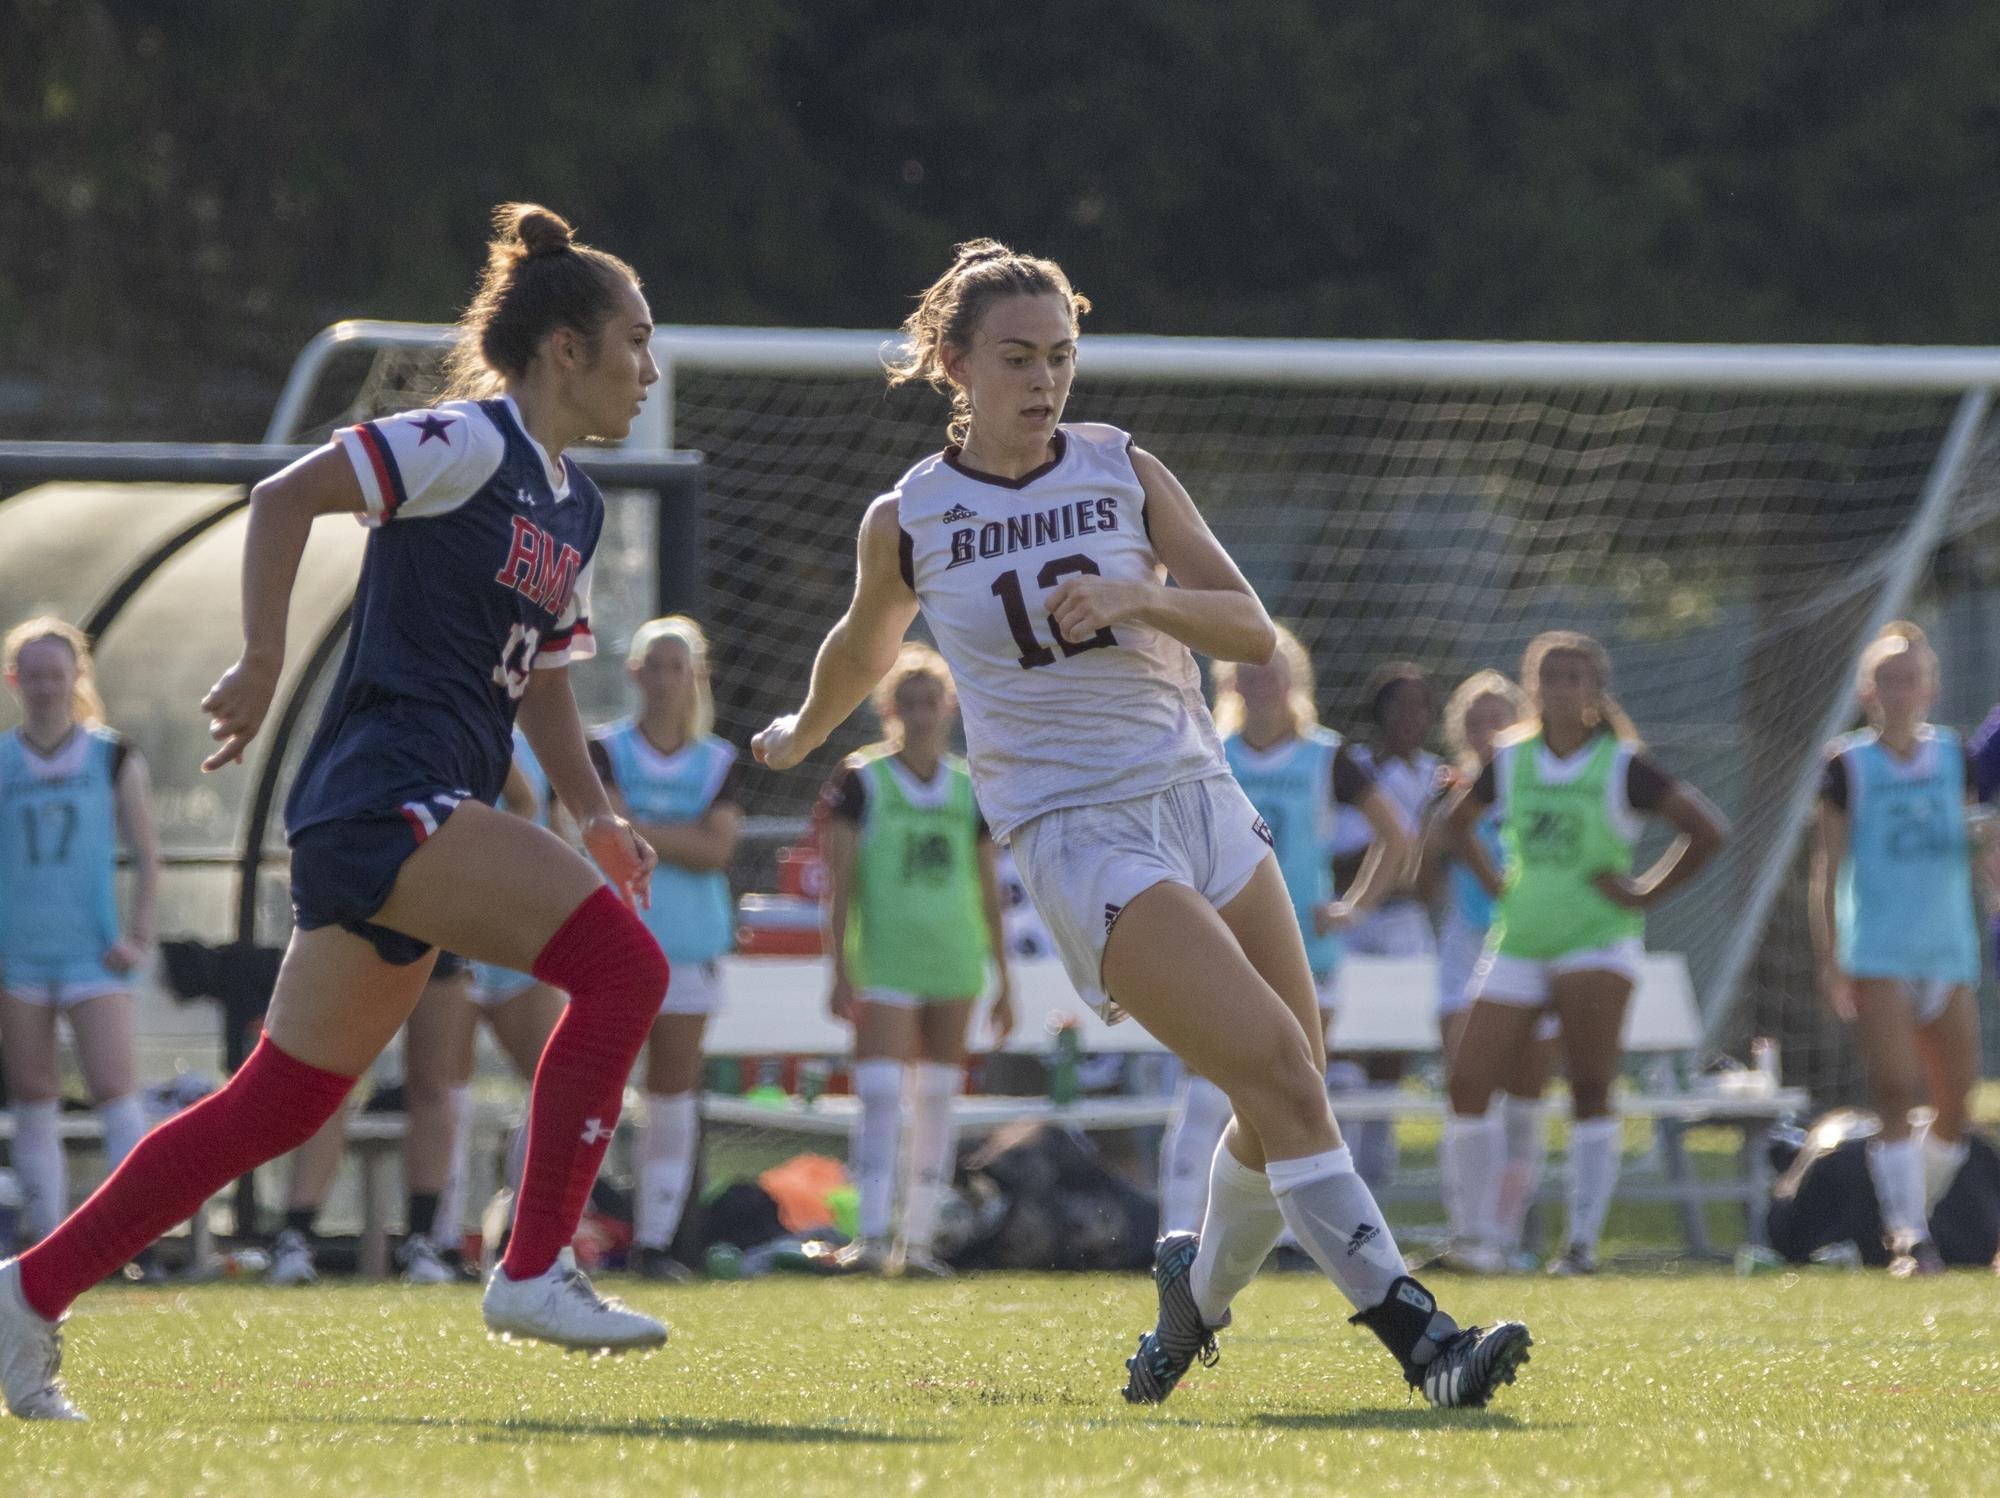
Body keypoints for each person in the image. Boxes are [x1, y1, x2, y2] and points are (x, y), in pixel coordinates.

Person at [751, 238, 1529, 1410]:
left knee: (1289, 1087)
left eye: (1060, 355)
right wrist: (803, 729)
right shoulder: (908, 515)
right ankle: (1419, 1338)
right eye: (1016, 357)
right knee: (1271, 1069)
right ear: (953, 364)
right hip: (1074, 832)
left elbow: (1248, 630)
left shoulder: (1121, 467)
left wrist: (1136, 594)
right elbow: (865, 642)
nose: (1044, 379)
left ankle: (1188, 1307)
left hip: (1200, 801)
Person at [1, 203, 671, 1421]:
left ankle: (24, 1296)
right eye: (633, 339)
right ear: (565, 346)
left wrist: (596, 811)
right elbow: (284, 495)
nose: (650, 367)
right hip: (385, 793)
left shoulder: (577, 504)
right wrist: (260, 662)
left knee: (280, 1102)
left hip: (404, 811)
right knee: (623, 970)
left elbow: (546, 682)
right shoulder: (466, 440)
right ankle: (532, 1267)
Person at [1440, 630, 1726, 1278]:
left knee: (1591, 1086)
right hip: (1519, 940)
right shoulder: (1510, 760)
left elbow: (1707, 829)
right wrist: (1495, 883)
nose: (1563, 688)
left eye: (1576, 676)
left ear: (1596, 691)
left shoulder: (1623, 764)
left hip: (1595, 943)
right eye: (1551, 676)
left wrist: (1645, 891)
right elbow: (1455, 824)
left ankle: (1581, 1245)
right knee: (1467, 1081)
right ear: (1533, 687)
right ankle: (1477, 1240)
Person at [1156, 624, 1408, 1239]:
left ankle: (1299, 1238)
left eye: (1272, 669)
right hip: (1221, 950)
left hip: (1304, 951)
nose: (1260, 679)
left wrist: (1354, 907)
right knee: (1206, 1096)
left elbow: (1399, 836)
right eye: (1248, 669)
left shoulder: (1327, 755)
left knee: (1296, 1093)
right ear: (1228, 680)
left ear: (1294, 678)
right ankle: (1177, 1235)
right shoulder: (1208, 749)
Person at [819, 642, 1014, 1276]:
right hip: (886, 956)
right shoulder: (862, 780)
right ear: (888, 709)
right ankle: (871, 1236)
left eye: (932, 703)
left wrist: (1004, 977)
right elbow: (841, 884)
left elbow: (989, 890)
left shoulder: (968, 785)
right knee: (879, 1094)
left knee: (936, 1097)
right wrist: (837, 967)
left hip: (954, 958)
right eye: (909, 703)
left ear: (949, 709)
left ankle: (920, 1241)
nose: (922, 715)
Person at [1812, 622, 1982, 1277]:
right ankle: (1908, 1235)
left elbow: (1971, 842)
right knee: (1892, 1088)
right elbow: (1826, 868)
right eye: (1887, 677)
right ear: (1868, 689)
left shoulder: (1953, 756)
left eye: (1910, 677)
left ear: (1930, 687)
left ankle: (1914, 1209)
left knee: (1954, 1106)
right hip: (1879, 945)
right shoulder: (1846, 765)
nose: (1899, 689)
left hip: (1946, 946)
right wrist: (1831, 954)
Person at [590, 616, 745, 1281]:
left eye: (676, 667)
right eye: (652, 665)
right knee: (591, 1086)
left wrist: (641, 829)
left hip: (688, 945)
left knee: (672, 1093)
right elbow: (605, 835)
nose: (662, 679)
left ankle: (654, 1242)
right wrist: (678, 833)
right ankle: (567, 1232)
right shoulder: (604, 750)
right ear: (634, 674)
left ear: (694, 677)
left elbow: (718, 850)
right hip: (614, 943)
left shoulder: (719, 761)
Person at [0, 619, 159, 1263]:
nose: (43, 688)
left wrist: (137, 936)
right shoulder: (4, 759)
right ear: (15, 682)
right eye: (31, 676)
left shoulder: (113, 755)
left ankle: (136, 1241)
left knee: (116, 1093)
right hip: (18, 957)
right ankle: (48, 1243)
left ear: (76, 678)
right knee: (34, 1100)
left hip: (93, 955)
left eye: (55, 675)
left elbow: (148, 856)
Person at [1431, 670, 1555, 1266]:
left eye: (1498, 719)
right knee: (1466, 1086)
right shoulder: (1452, 791)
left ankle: (1507, 1235)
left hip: (1531, 943)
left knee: (1526, 1098)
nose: (1487, 732)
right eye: (1475, 722)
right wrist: (1438, 812)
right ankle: (1469, 1230)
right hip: (1466, 950)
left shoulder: (1539, 780)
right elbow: (1417, 867)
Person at [1329, 662, 1441, 1187]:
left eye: (1421, 707)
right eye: (1401, 705)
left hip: (1404, 922)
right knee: (1345, 1036)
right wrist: (1390, 860)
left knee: (1393, 1044)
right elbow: (1341, 854)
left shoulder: (1437, 777)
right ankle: (1338, 1169)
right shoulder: (1354, 768)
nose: (1412, 718)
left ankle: (1375, 1179)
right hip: (1353, 914)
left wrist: (1412, 864)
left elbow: (1430, 871)